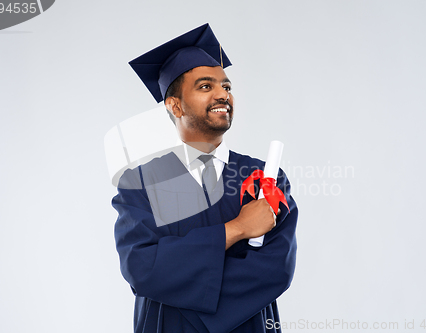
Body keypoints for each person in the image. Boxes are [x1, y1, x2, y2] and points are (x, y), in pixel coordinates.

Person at [112, 23, 298, 333]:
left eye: (226, 86)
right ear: (175, 105)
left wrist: (179, 283)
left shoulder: (265, 177)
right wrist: (237, 229)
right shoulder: (140, 182)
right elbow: (141, 269)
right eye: (205, 86)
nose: (223, 94)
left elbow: (275, 269)